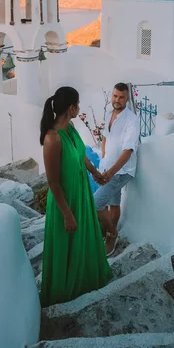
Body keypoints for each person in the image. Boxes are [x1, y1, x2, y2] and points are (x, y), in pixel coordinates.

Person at [40, 86, 113, 308]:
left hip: (80, 194)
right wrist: (67, 214)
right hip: (65, 201)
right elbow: (53, 182)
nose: (79, 108)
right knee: (67, 243)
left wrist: (95, 172)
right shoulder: (52, 139)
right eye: (78, 105)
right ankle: (64, 291)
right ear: (71, 108)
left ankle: (84, 281)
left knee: (82, 238)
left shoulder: (70, 128)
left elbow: (81, 155)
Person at [94, 83, 140, 256]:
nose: (117, 100)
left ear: (127, 98)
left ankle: (112, 234)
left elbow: (128, 152)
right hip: (108, 168)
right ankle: (107, 233)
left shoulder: (131, 120)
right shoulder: (109, 114)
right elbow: (105, 138)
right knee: (113, 203)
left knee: (95, 203)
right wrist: (104, 162)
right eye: (115, 96)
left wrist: (110, 173)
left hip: (122, 171)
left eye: (121, 97)